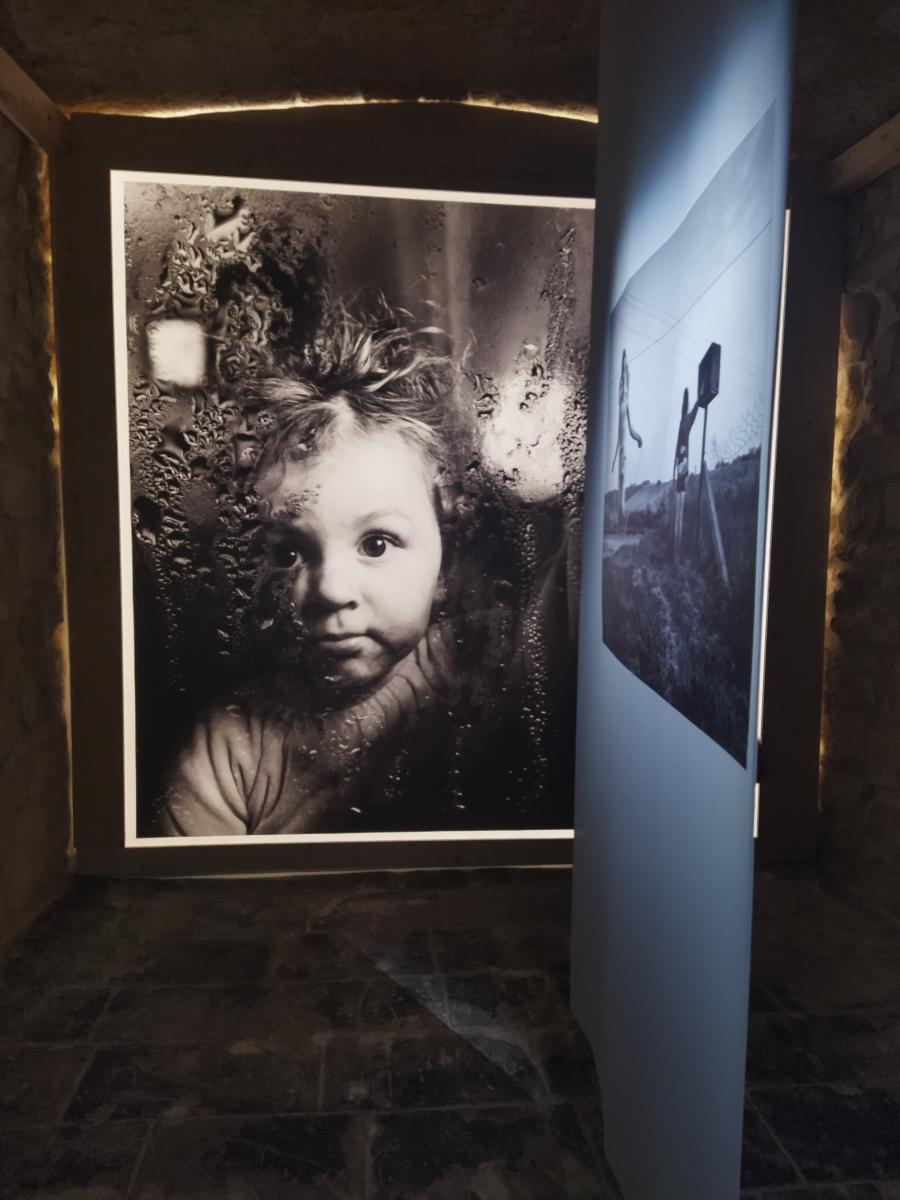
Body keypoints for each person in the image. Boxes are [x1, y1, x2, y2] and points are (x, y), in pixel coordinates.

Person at [157, 298, 574, 836]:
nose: (329, 590)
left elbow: (578, 590)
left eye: (376, 544)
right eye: (288, 553)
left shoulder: (480, 664)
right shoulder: (230, 747)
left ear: (443, 560)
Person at [610, 348, 642, 529]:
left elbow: (631, 428)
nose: (623, 382)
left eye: (625, 378)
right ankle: (618, 519)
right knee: (620, 476)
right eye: (623, 380)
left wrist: (638, 439)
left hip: (624, 449)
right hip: (620, 446)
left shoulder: (626, 400)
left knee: (623, 475)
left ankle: (621, 519)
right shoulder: (620, 396)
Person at [673, 385, 701, 561]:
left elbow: (693, 412)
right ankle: (676, 550)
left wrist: (697, 402)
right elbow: (692, 415)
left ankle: (678, 550)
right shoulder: (683, 421)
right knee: (679, 499)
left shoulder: (685, 421)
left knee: (681, 498)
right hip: (681, 463)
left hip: (682, 464)